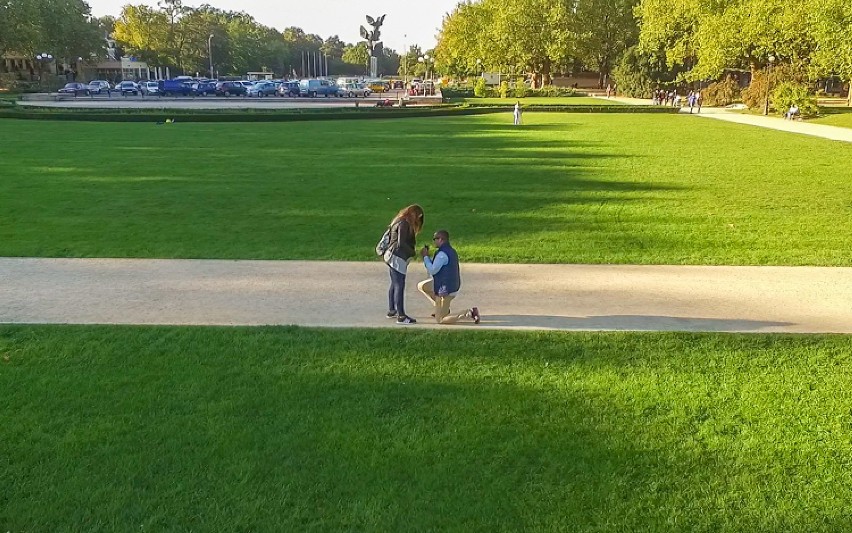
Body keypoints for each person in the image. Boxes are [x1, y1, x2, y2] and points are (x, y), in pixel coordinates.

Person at [417, 230, 481, 325]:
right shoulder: (449, 251)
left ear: (441, 239)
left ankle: (469, 312)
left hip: (445, 289)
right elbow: (438, 266)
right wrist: (428, 258)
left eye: (435, 239)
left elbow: (433, 270)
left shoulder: (442, 255)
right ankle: (440, 307)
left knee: (441, 320)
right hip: (448, 284)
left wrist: (425, 257)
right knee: (423, 286)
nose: (434, 241)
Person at [383, 204, 424, 325]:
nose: (418, 220)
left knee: (394, 284)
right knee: (399, 285)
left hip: (392, 255)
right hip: (397, 257)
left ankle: (392, 310)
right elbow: (401, 243)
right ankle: (401, 316)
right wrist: (412, 252)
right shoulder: (404, 223)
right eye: (418, 216)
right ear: (413, 214)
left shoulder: (398, 220)